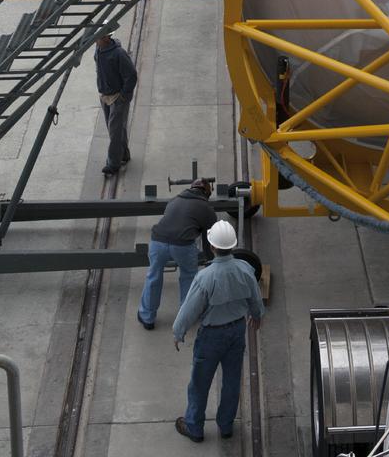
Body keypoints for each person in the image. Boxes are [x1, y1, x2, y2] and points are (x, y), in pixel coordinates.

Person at [172, 220, 264, 443]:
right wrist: (257, 314)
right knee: (232, 381)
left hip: (211, 336)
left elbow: (190, 309)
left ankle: (194, 427)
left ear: (211, 246)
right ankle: (226, 426)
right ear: (232, 246)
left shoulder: (205, 277)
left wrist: (178, 331)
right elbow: (255, 297)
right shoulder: (245, 269)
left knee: (200, 383)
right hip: (237, 331)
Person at [137, 179, 217, 330]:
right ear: (206, 193)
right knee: (189, 276)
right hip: (183, 246)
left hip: (157, 241)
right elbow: (209, 240)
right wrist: (211, 260)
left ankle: (147, 317)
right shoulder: (206, 209)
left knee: (153, 276)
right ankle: (186, 315)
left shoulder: (174, 200)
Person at [93, 31, 137, 177]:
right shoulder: (98, 50)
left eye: (98, 37)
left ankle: (113, 164)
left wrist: (123, 96)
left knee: (114, 131)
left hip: (118, 97)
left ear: (106, 37)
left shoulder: (118, 54)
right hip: (105, 96)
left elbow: (131, 75)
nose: (95, 41)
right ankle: (123, 154)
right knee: (116, 129)